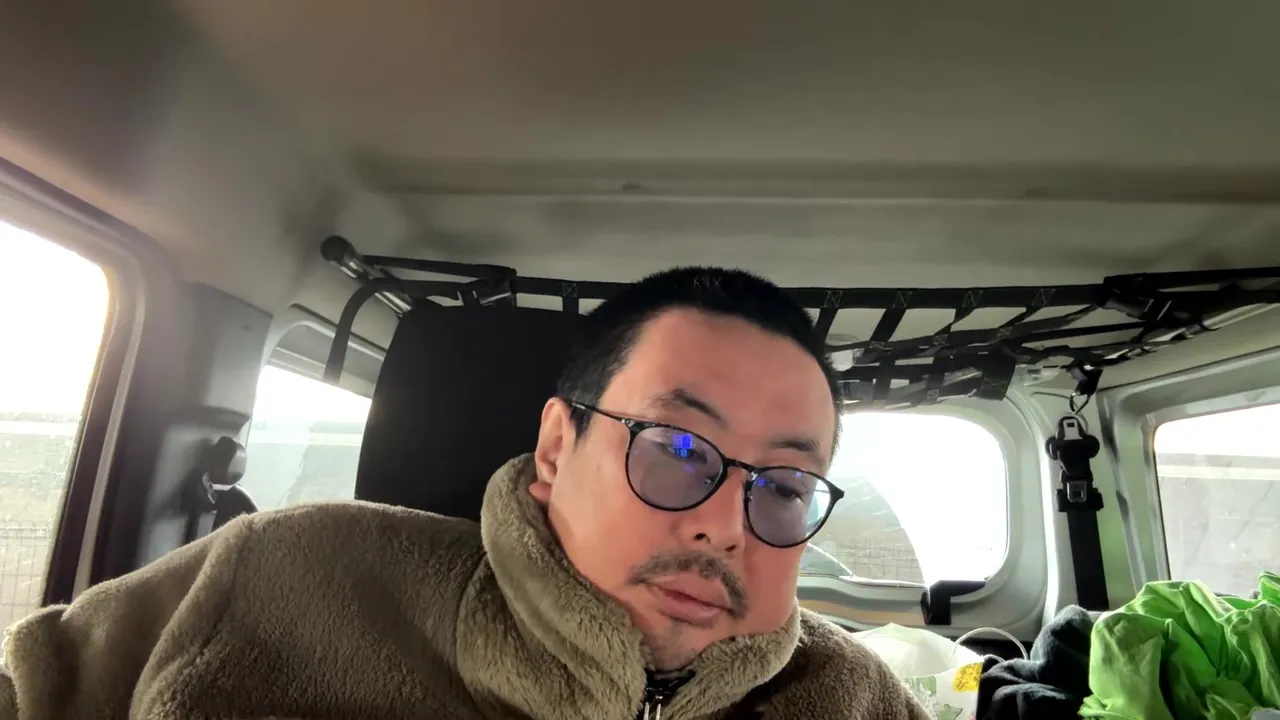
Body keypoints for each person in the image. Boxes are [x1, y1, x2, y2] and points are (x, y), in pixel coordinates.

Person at [1, 267, 928, 720]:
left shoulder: (854, 701)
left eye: (784, 486)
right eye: (677, 450)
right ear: (557, 448)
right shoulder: (283, 575)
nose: (726, 527)